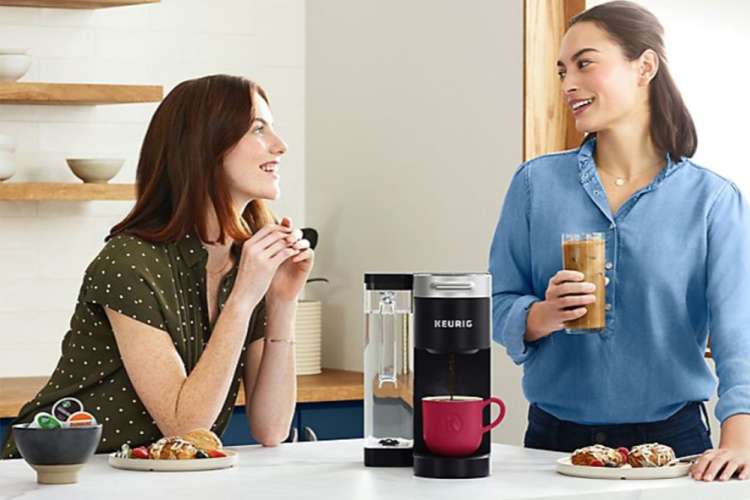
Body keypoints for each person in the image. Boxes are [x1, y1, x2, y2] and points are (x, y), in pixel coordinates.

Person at [490, 1, 750, 482]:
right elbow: (497, 300)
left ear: (644, 66)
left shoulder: (712, 199)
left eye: (585, 63)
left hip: (675, 450)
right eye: (562, 70)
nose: (568, 84)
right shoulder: (535, 184)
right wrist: (539, 316)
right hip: (552, 447)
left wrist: (740, 435)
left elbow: (739, 332)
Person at [2, 74, 313, 458]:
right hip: (58, 472)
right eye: (257, 129)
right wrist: (243, 300)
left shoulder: (249, 262)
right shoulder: (129, 261)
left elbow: (272, 428)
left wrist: (282, 300)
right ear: (205, 146)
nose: (279, 146)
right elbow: (184, 425)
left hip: (151, 476)